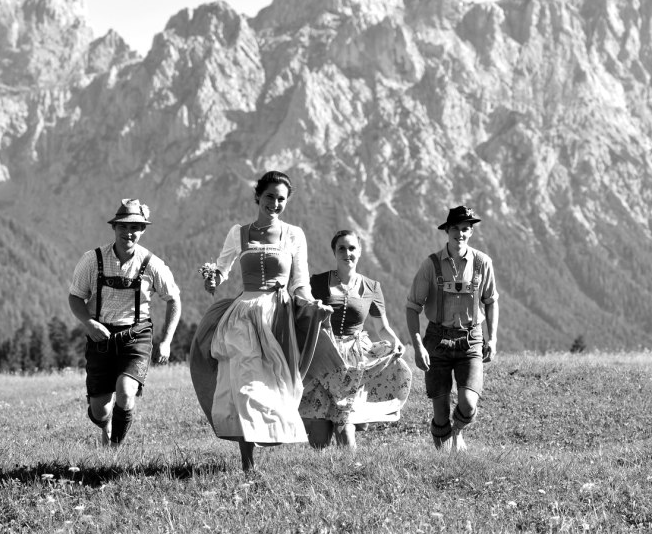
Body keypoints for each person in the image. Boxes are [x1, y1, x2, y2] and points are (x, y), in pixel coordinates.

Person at [188, 171, 332, 472]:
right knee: (243, 386)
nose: (275, 204)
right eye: (270, 197)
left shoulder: (294, 235)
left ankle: (270, 434)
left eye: (282, 199)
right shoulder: (238, 233)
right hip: (243, 315)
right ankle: (247, 464)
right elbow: (222, 268)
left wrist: (311, 304)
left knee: (275, 388)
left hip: (278, 317)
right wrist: (212, 278)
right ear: (258, 196)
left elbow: (300, 283)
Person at [68, 199, 181, 447]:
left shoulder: (152, 264)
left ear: (143, 231)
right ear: (114, 227)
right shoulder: (92, 259)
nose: (129, 233)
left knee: (126, 391)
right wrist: (88, 323)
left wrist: (166, 341)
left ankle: (114, 449)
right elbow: (75, 297)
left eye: (136, 228)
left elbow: (174, 300)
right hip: (100, 337)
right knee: (100, 411)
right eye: (124, 227)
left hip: (136, 336)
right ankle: (105, 424)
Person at [299, 229, 412, 450]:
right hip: (324, 353)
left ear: (359, 251)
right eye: (341, 248)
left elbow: (382, 326)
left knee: (345, 421)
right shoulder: (318, 282)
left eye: (352, 248)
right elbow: (303, 315)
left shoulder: (372, 287)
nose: (347, 253)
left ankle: (349, 472)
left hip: (353, 358)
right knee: (320, 430)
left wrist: (395, 341)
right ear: (334, 252)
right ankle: (319, 476)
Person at [406, 205, 498, 452]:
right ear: (447, 230)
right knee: (440, 413)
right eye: (456, 228)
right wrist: (417, 347)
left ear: (471, 232)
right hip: (437, 340)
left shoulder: (482, 263)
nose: (461, 234)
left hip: (471, 338)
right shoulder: (431, 265)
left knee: (468, 403)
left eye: (466, 229)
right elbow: (412, 307)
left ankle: (456, 433)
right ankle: (444, 462)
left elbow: (491, 301)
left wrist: (493, 338)